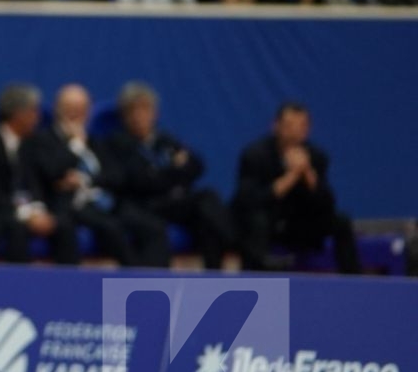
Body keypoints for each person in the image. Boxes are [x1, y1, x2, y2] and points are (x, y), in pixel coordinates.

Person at [29, 84, 170, 267]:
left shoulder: (96, 142)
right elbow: (50, 172)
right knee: (111, 228)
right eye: (69, 109)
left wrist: (85, 179)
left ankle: (158, 281)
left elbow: (116, 176)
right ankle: (136, 279)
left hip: (106, 201)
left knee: (153, 227)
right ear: (58, 110)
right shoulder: (43, 141)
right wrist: (75, 147)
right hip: (72, 205)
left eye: (80, 110)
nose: (75, 115)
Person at [99, 82, 233, 270]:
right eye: (133, 111)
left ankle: (215, 275)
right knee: (155, 228)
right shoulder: (117, 143)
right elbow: (136, 181)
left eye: (145, 109)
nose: (139, 116)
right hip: (142, 205)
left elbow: (196, 166)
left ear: (155, 113)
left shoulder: (164, 139)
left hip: (170, 202)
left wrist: (161, 175)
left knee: (206, 202)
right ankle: (158, 288)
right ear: (124, 115)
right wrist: (174, 172)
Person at [0, 84, 80, 264]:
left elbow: (41, 178)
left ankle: (69, 286)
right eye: (33, 111)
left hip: (26, 209)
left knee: (63, 226)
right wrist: (25, 214)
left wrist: (37, 209)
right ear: (17, 113)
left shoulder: (31, 143)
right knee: (17, 229)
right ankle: (19, 288)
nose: (37, 117)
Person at [233, 102, 360, 273]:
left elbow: (327, 203)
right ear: (275, 126)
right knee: (256, 221)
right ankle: (256, 282)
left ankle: (353, 281)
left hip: (299, 225)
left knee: (341, 221)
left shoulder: (316, 156)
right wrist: (291, 176)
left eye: (301, 126)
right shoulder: (255, 155)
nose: (295, 132)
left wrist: (307, 172)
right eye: (289, 126)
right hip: (268, 224)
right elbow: (250, 201)